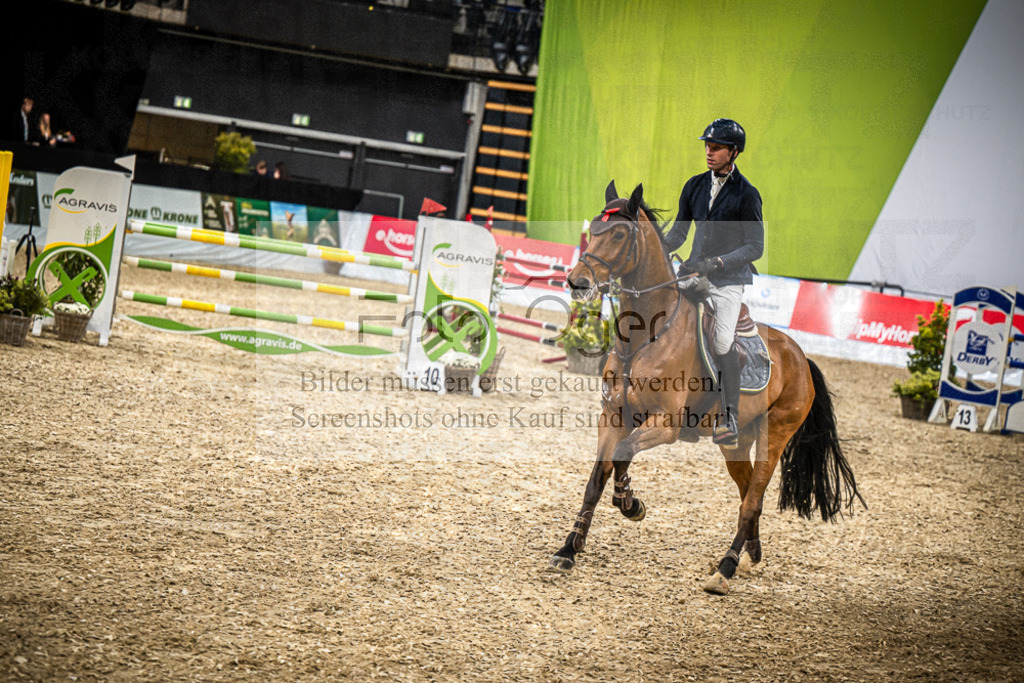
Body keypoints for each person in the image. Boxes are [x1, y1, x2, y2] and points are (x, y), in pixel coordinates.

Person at [663, 118, 764, 448]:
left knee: (721, 341)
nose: (709, 151)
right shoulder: (694, 185)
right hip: (693, 274)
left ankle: (730, 416)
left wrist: (718, 262)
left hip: (727, 281)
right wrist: (655, 248)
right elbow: (679, 233)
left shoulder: (747, 195)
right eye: (707, 145)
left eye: (717, 147)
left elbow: (755, 247)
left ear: (733, 152)